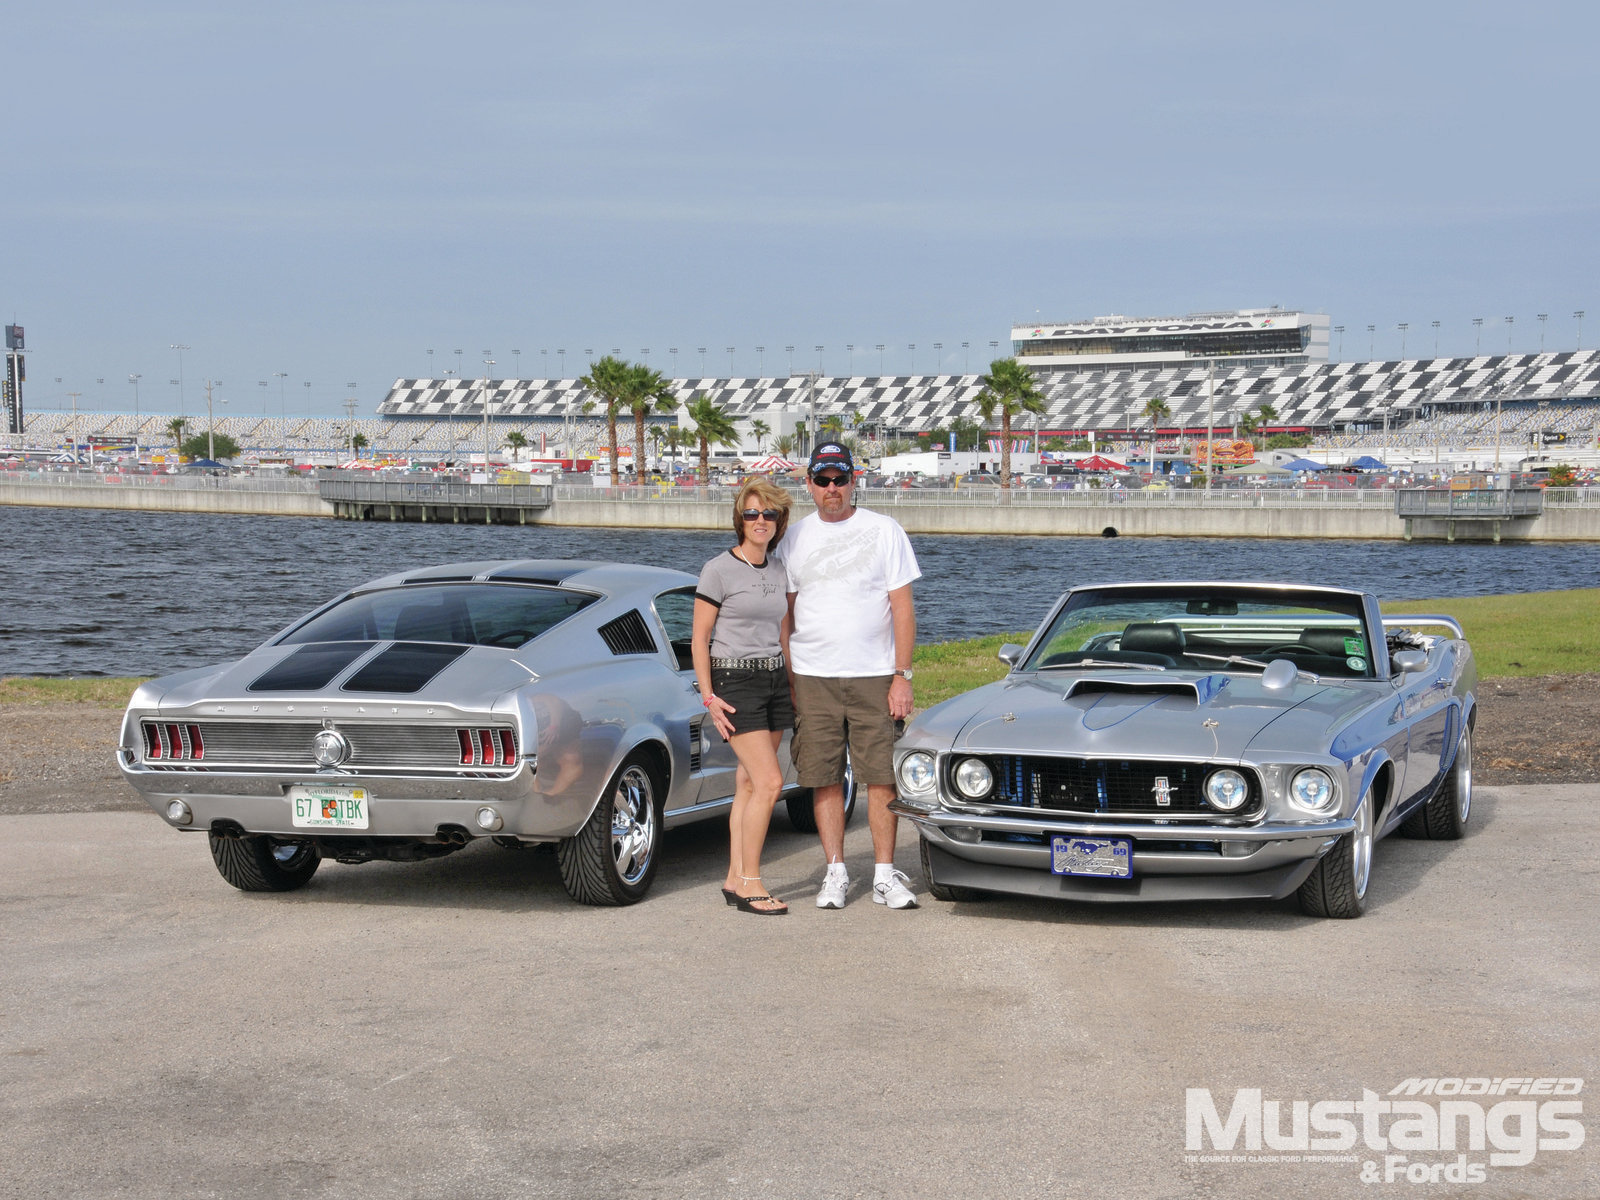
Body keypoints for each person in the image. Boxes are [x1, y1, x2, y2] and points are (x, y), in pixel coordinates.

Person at [776, 442, 921, 910]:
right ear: (810, 485)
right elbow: (788, 616)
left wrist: (903, 675)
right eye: (823, 480)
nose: (832, 489)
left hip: (874, 674)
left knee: (880, 776)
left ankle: (883, 873)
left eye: (840, 479)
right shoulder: (793, 539)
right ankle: (835, 871)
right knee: (823, 776)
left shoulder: (884, 531)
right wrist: (792, 677)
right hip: (814, 677)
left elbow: (902, 608)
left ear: (854, 480)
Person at [692, 477, 796, 916]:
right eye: (752, 513)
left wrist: (792, 683)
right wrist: (709, 698)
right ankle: (752, 882)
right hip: (735, 685)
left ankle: (735, 877)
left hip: (774, 681)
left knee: (750, 783)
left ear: (778, 521)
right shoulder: (719, 569)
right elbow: (700, 638)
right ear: (740, 519)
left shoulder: (779, 569)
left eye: (768, 514)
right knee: (771, 783)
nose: (760, 521)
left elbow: (783, 631)